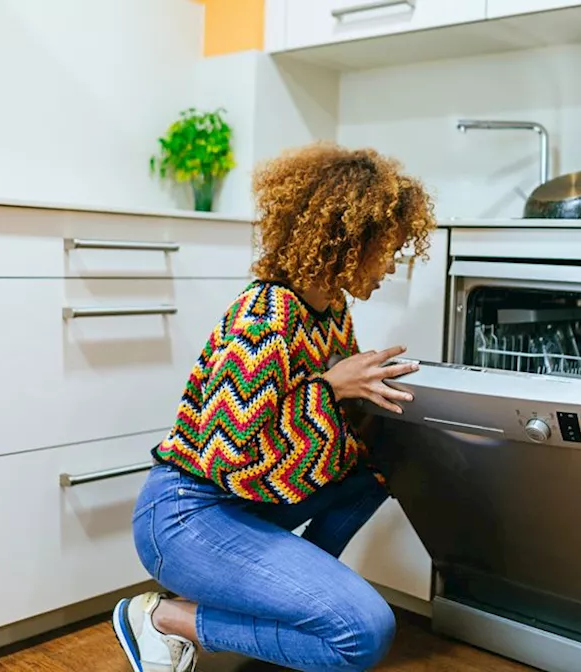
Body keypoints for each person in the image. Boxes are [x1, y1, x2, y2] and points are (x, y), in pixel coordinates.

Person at [113, 143, 437, 672]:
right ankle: (164, 619)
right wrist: (330, 388)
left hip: (247, 506)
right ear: (350, 240)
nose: (392, 265)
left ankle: (290, 595)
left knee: (381, 463)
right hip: (186, 516)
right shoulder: (264, 317)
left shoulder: (332, 311)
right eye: (390, 248)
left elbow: (328, 434)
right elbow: (229, 453)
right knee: (363, 632)